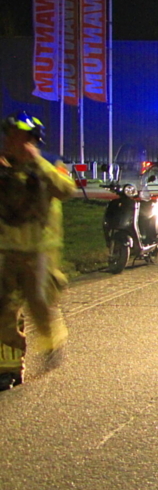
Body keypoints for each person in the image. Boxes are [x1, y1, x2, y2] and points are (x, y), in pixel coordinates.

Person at [0, 112, 76, 389]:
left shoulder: (50, 163)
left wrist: (36, 162)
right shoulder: (3, 166)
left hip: (40, 251)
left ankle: (52, 342)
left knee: (40, 305)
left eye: (18, 135)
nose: (11, 140)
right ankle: (8, 369)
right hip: (6, 251)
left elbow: (66, 190)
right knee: (4, 312)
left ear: (32, 139)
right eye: (9, 135)